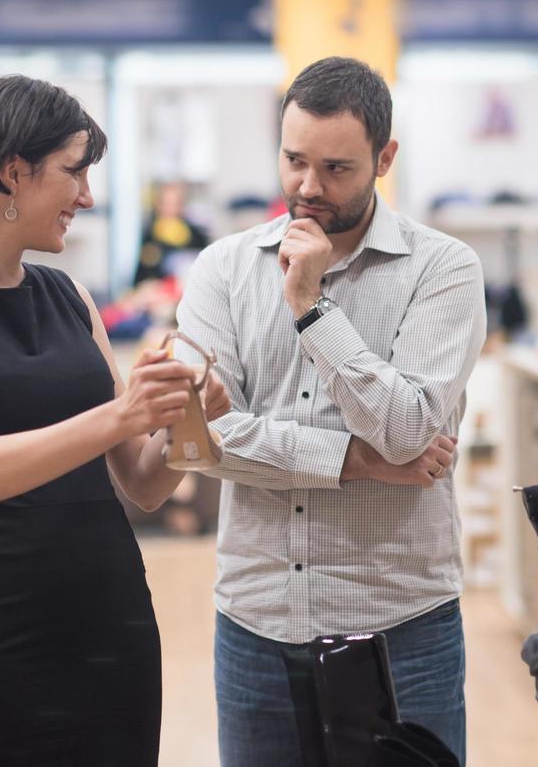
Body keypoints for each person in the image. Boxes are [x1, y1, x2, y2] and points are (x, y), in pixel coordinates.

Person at [0, 75, 230, 765]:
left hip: (112, 618)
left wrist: (185, 423)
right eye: (74, 172)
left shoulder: (67, 295)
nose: (86, 197)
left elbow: (142, 487)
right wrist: (121, 415)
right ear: (13, 171)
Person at [176, 56, 487, 764]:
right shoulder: (221, 270)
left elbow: (408, 434)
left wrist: (312, 307)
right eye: (293, 161)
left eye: (337, 169)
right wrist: (353, 460)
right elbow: (200, 438)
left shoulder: (443, 269)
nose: (307, 188)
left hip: (400, 623)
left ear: (384, 157)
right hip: (255, 622)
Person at [133, 180, 212, 284]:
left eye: (174, 203)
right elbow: (143, 273)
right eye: (166, 203)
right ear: (158, 204)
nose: (169, 208)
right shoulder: (150, 235)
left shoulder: (196, 235)